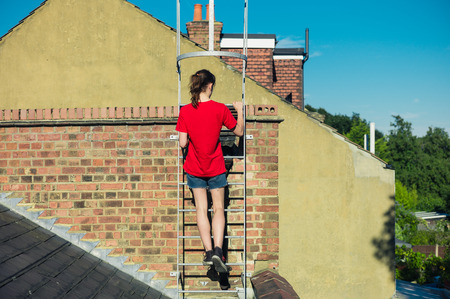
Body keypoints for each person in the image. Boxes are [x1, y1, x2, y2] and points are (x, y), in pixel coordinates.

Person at [176, 69, 243, 273]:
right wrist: (239, 111)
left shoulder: (186, 111)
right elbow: (239, 131)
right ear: (210, 86)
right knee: (219, 209)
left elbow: (182, 142)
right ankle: (217, 250)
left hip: (195, 168)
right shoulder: (220, 109)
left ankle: (207, 251)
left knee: (201, 210)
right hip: (216, 167)